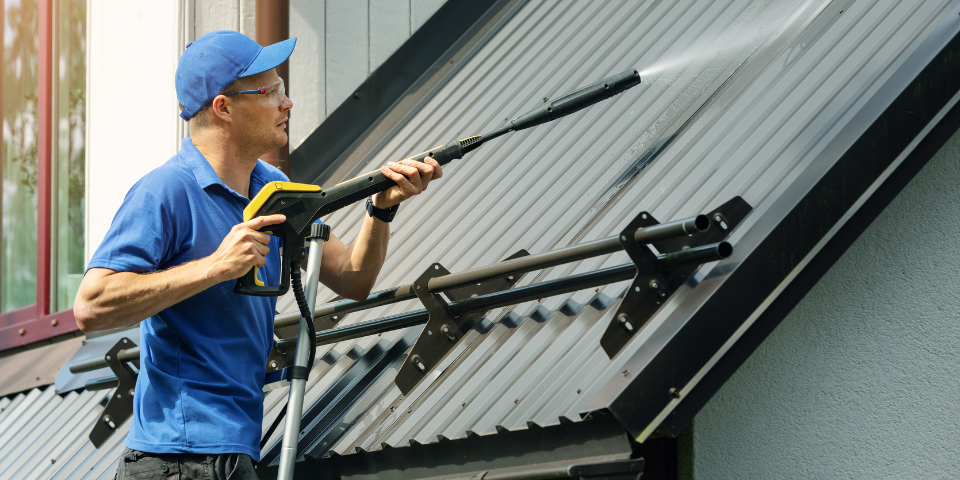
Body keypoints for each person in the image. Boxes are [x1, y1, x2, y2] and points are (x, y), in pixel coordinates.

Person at [73, 30, 441, 479]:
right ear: (223, 108)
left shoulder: (273, 189)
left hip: (236, 450)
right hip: (176, 458)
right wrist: (216, 267)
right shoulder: (165, 191)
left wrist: (381, 210)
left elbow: (352, 279)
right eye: (271, 92)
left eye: (283, 90)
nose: (286, 104)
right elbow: (92, 306)